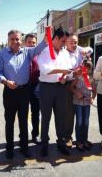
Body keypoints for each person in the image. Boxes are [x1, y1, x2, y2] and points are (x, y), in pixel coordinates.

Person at [0, 30, 47, 159]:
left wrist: (47, 35)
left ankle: (24, 148)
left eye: (17, 39)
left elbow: (42, 45)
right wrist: (6, 81)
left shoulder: (27, 52)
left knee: (23, 121)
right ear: (8, 40)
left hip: (24, 92)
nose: (15, 41)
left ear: (21, 41)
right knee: (10, 121)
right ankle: (10, 148)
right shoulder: (2, 54)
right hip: (9, 92)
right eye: (12, 39)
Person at [37, 26, 72, 157]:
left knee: (61, 116)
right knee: (45, 117)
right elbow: (44, 69)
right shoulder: (45, 51)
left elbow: (68, 70)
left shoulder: (65, 53)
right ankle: (44, 144)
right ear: (55, 38)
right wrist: (61, 72)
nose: (64, 44)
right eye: (63, 41)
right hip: (47, 87)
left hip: (61, 87)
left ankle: (61, 143)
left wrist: (67, 77)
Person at [64, 34, 93, 148]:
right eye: (71, 42)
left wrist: (85, 51)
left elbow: (90, 49)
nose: (73, 44)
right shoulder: (63, 53)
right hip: (68, 83)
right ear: (66, 42)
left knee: (83, 119)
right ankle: (68, 137)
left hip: (81, 81)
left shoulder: (79, 50)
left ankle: (83, 139)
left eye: (75, 42)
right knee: (69, 114)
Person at [70, 59, 96, 151]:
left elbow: (94, 91)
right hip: (78, 102)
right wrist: (77, 93)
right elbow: (71, 87)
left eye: (89, 68)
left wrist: (92, 98)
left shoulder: (91, 79)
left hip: (87, 103)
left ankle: (85, 140)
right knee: (79, 121)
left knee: (86, 122)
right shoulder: (78, 77)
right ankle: (78, 141)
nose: (87, 69)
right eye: (85, 67)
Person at [24, 33, 41, 145]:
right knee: (23, 113)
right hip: (23, 87)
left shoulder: (39, 54)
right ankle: (23, 136)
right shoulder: (21, 54)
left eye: (33, 43)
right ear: (25, 43)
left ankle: (35, 135)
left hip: (36, 86)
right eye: (29, 42)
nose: (31, 44)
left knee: (35, 113)